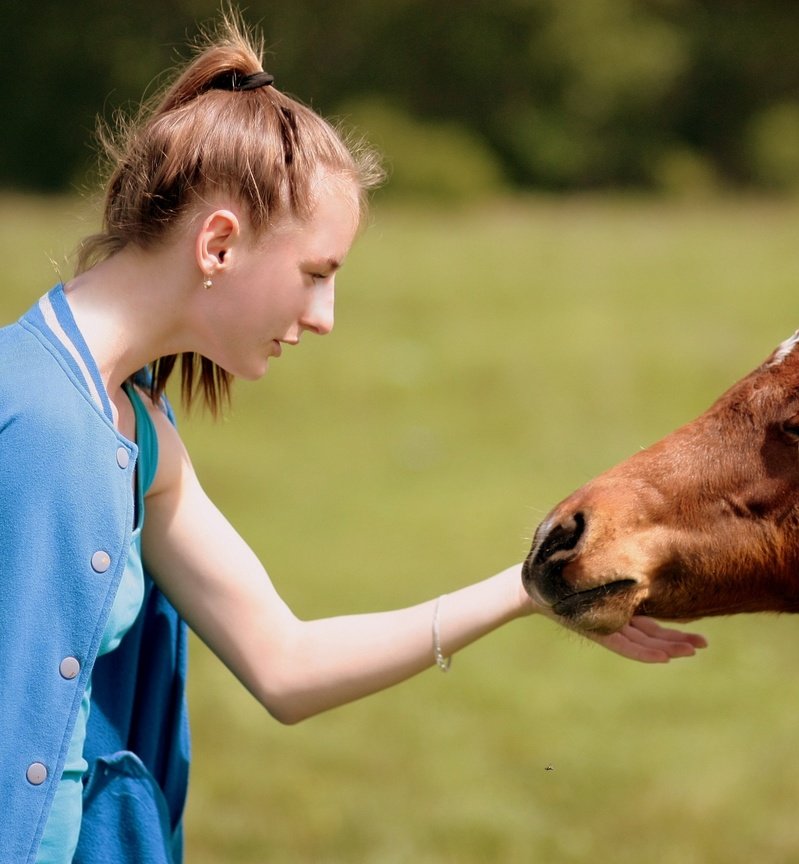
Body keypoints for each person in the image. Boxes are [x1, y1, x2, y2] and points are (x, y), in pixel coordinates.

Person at [0, 12, 706, 863]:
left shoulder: (138, 432)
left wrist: (528, 590)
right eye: (315, 274)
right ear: (218, 243)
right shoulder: (30, 418)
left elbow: (286, 664)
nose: (326, 317)